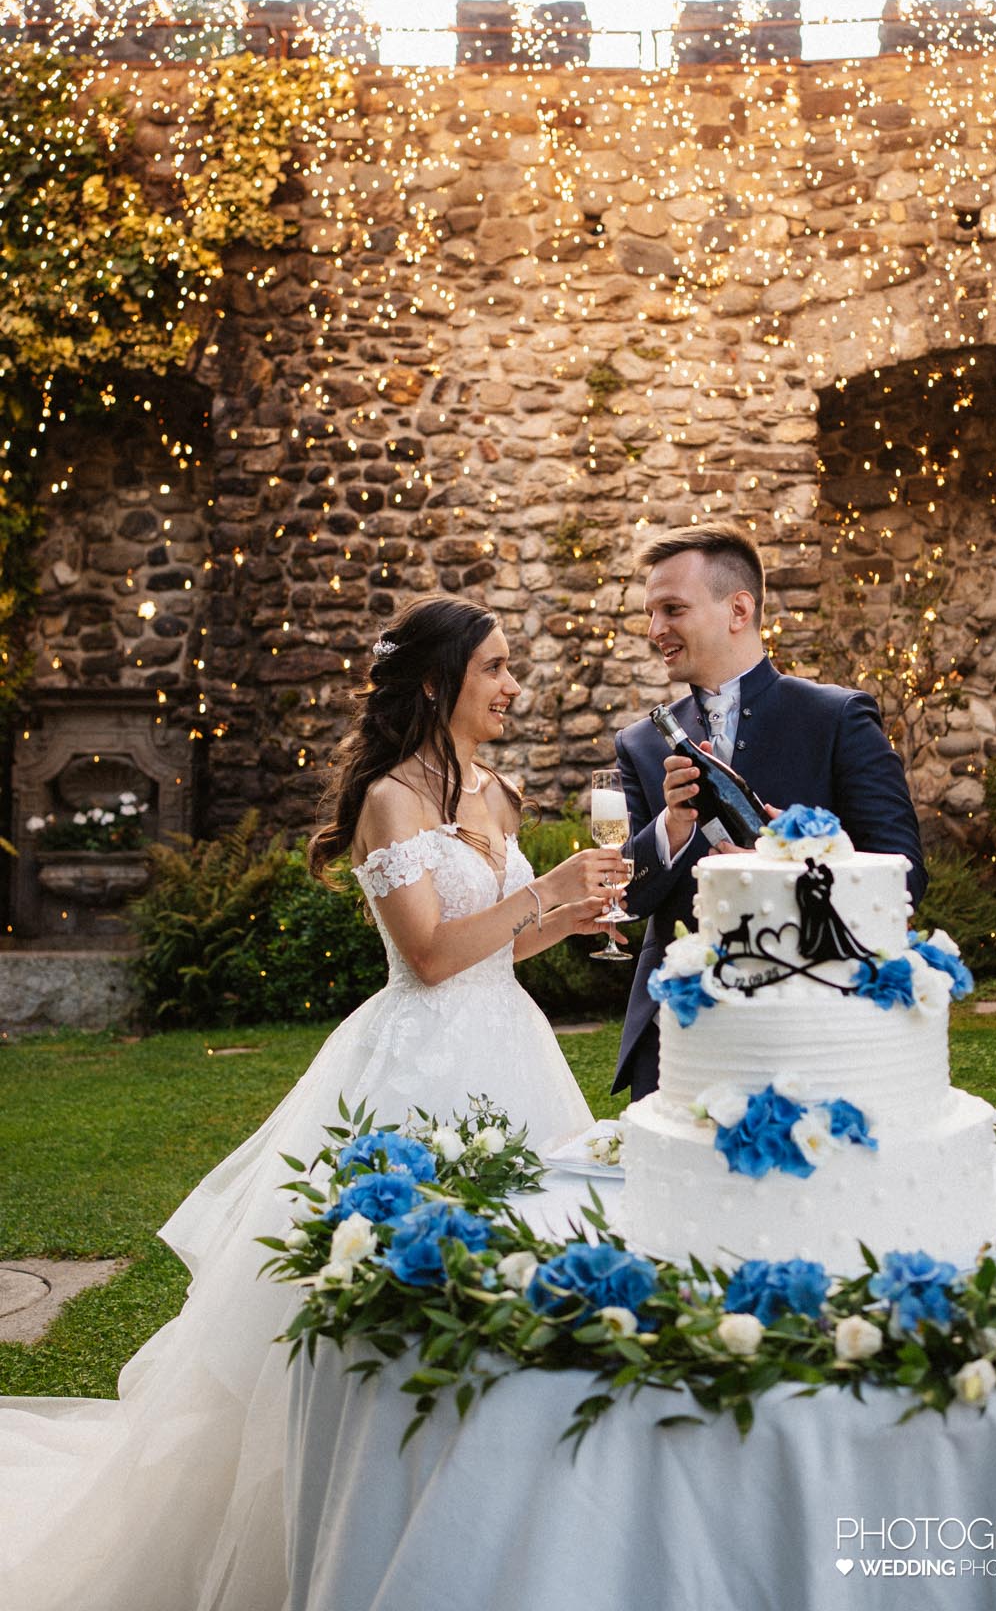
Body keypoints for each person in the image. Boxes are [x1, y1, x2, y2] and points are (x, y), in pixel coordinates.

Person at [0, 593, 627, 1611]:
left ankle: (480, 1504)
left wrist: (567, 914)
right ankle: (348, 1509)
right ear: (437, 684)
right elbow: (428, 957)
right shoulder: (391, 798)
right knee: (385, 1292)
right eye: (497, 668)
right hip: (414, 1064)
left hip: (509, 1044)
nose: (515, 684)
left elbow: (496, 952)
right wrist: (545, 887)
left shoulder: (499, 792)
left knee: (516, 1272)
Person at [612, 525, 927, 1101]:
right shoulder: (640, 743)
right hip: (676, 1031)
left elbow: (905, 872)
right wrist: (671, 831)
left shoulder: (837, 718)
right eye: (651, 613)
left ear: (738, 609)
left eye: (672, 609)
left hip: (811, 1018)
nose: (655, 630)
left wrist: (795, 863)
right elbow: (626, 899)